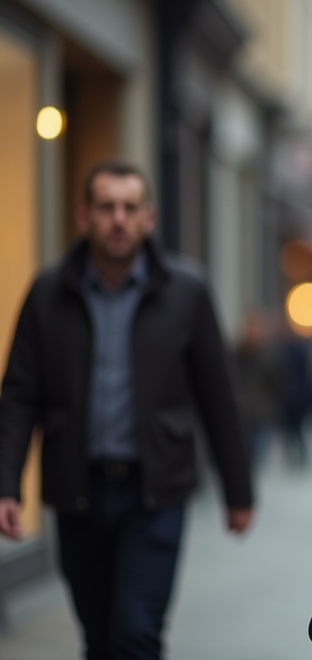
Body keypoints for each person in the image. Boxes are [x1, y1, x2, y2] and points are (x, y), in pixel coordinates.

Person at [0, 159, 254, 660]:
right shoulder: (49, 293)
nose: (118, 218)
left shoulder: (187, 291)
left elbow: (218, 395)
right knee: (99, 639)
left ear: (148, 218)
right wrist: (7, 483)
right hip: (77, 493)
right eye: (106, 207)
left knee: (136, 634)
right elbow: (19, 393)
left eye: (129, 208)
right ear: (84, 216)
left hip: (155, 494)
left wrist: (238, 490)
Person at [234, 311, 283, 469]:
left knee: (257, 451)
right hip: (242, 409)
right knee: (246, 451)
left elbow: (278, 383)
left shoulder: (269, 354)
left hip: (262, 410)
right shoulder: (237, 354)